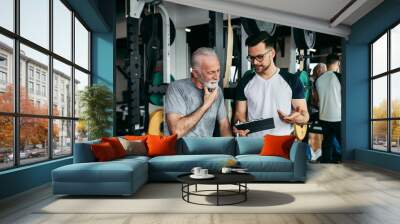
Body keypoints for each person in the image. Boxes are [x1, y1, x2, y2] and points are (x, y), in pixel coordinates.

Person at [234, 31, 309, 137]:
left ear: (272, 53)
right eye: (251, 58)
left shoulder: (292, 80)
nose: (254, 62)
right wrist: (240, 126)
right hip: (253, 143)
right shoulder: (245, 82)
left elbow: (305, 116)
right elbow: (239, 114)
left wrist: (296, 118)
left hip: (281, 142)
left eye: (259, 57)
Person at [164, 47, 232, 138]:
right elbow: (176, 132)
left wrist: (230, 149)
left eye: (218, 71)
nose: (216, 77)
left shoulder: (217, 90)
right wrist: (205, 105)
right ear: (195, 73)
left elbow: (224, 126)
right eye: (211, 72)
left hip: (205, 150)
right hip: (180, 151)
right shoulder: (176, 88)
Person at [315, 54, 342, 163]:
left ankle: (326, 161)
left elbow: (316, 99)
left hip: (323, 116)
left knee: (327, 141)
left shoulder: (318, 80)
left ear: (327, 64)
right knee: (343, 142)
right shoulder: (340, 77)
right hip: (338, 116)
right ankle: (342, 160)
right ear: (338, 64)